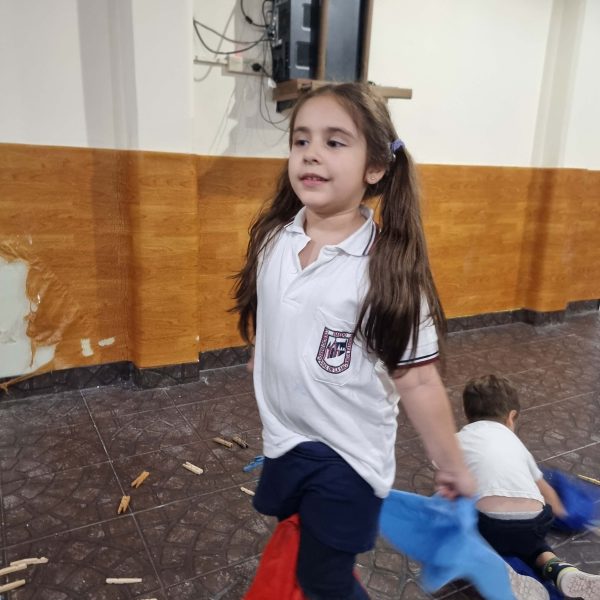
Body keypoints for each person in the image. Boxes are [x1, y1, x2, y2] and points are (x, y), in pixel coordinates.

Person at [231, 81, 476, 600]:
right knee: (303, 543)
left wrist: (452, 464)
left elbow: (418, 380)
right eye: (301, 140)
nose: (311, 152)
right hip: (285, 439)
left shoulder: (387, 270)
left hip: (348, 458)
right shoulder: (274, 238)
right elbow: (276, 315)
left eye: (334, 141)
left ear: (376, 168)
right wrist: (266, 356)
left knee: (324, 578)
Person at [458, 374, 600, 600]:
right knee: (535, 547)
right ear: (511, 417)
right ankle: (562, 570)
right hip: (534, 522)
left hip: (491, 525)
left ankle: (508, 571)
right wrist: (565, 515)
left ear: (467, 415)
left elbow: (449, 484)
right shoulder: (515, 443)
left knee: (473, 530)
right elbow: (545, 489)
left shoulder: (457, 439)